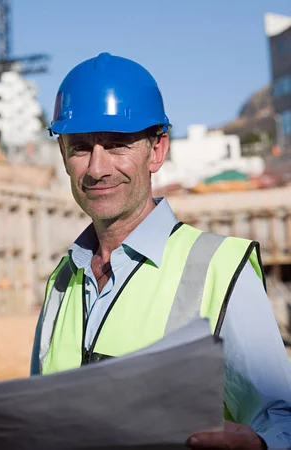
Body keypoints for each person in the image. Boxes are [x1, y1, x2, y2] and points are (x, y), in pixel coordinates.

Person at [31, 52, 291, 449]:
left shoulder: (219, 270)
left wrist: (259, 445)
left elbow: (280, 419)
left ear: (157, 151)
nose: (97, 168)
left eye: (117, 145)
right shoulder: (63, 281)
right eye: (81, 146)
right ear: (63, 154)